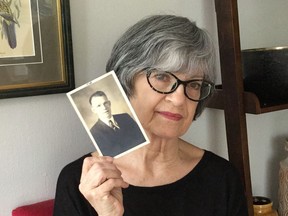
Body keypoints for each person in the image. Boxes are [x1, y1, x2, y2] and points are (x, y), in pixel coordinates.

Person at [54, 15, 248, 216]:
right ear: (125, 81)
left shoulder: (222, 178)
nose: (179, 99)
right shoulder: (83, 182)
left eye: (194, 84)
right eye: (162, 76)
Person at [89, 90, 146, 157]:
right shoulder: (94, 132)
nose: (104, 108)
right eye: (99, 106)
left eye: (105, 103)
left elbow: (142, 137)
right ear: (94, 110)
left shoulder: (125, 117)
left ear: (109, 103)